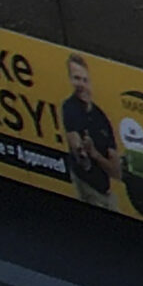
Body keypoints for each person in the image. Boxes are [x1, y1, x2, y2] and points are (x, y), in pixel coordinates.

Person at [61, 53, 121, 211]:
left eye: (84, 80)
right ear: (70, 80)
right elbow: (80, 157)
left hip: (106, 193)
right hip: (88, 189)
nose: (80, 84)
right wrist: (83, 152)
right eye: (76, 78)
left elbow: (116, 172)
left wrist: (95, 154)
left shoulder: (100, 117)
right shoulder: (70, 108)